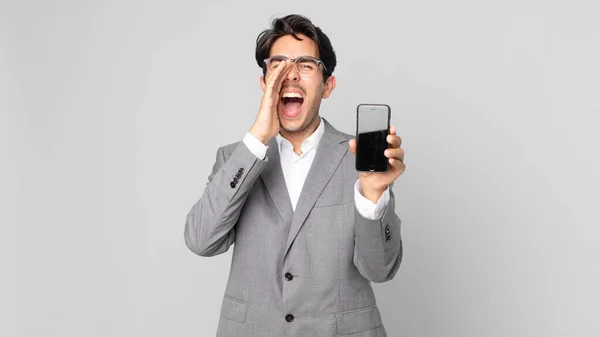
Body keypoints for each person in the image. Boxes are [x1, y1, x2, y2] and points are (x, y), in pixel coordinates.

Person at [184, 14, 406, 337]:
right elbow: (201, 239)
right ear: (264, 84)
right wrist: (258, 138)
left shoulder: (359, 159)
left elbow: (380, 269)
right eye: (278, 64)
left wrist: (373, 197)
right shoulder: (234, 159)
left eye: (305, 64)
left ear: (328, 85)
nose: (290, 75)